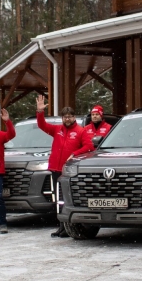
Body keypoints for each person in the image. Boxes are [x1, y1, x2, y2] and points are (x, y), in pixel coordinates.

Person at [36, 96, 94, 238]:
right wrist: (39, 111)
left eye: (70, 116)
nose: (67, 119)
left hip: (68, 171)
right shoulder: (57, 130)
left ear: (74, 117)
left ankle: (68, 226)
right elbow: (42, 125)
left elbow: (89, 146)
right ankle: (60, 226)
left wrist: (75, 153)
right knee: (57, 199)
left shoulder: (81, 131)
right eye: (65, 117)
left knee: (66, 199)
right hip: (55, 169)